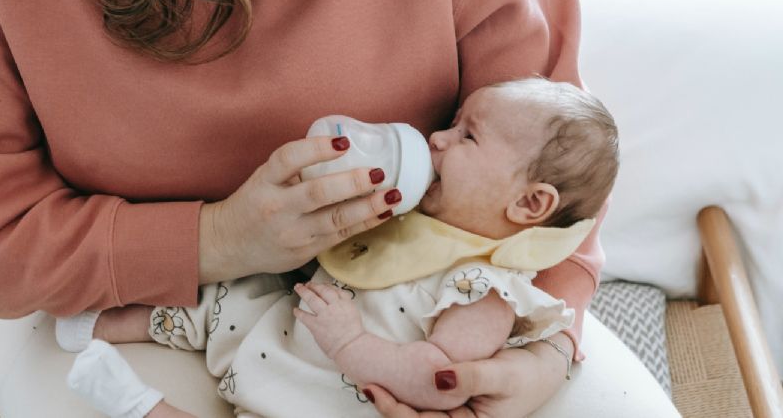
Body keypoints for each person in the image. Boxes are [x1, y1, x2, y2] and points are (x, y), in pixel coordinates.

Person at [0, 0, 657, 415]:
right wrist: (219, 238)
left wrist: (543, 350)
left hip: (422, 297)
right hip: (127, 303)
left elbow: (558, 159)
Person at [60, 78, 620, 417]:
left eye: (466, 135)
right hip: (282, 330)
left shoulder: (486, 290)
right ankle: (102, 325)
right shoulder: (417, 219)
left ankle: (140, 406)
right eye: (451, 123)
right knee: (231, 296)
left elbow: (437, 379)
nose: (437, 139)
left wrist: (350, 341)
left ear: (529, 206)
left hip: (325, 398)